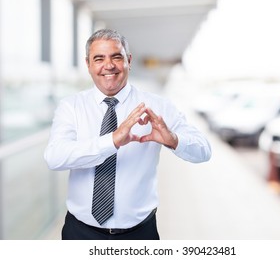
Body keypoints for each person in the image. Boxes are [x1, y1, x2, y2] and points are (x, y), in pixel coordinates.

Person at [44, 29, 211, 240]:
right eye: (99, 58)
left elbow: (204, 150)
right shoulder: (71, 107)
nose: (109, 65)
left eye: (116, 57)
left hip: (139, 234)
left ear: (128, 61)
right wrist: (111, 141)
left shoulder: (158, 106)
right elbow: (54, 157)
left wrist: (173, 140)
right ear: (88, 65)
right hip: (80, 233)